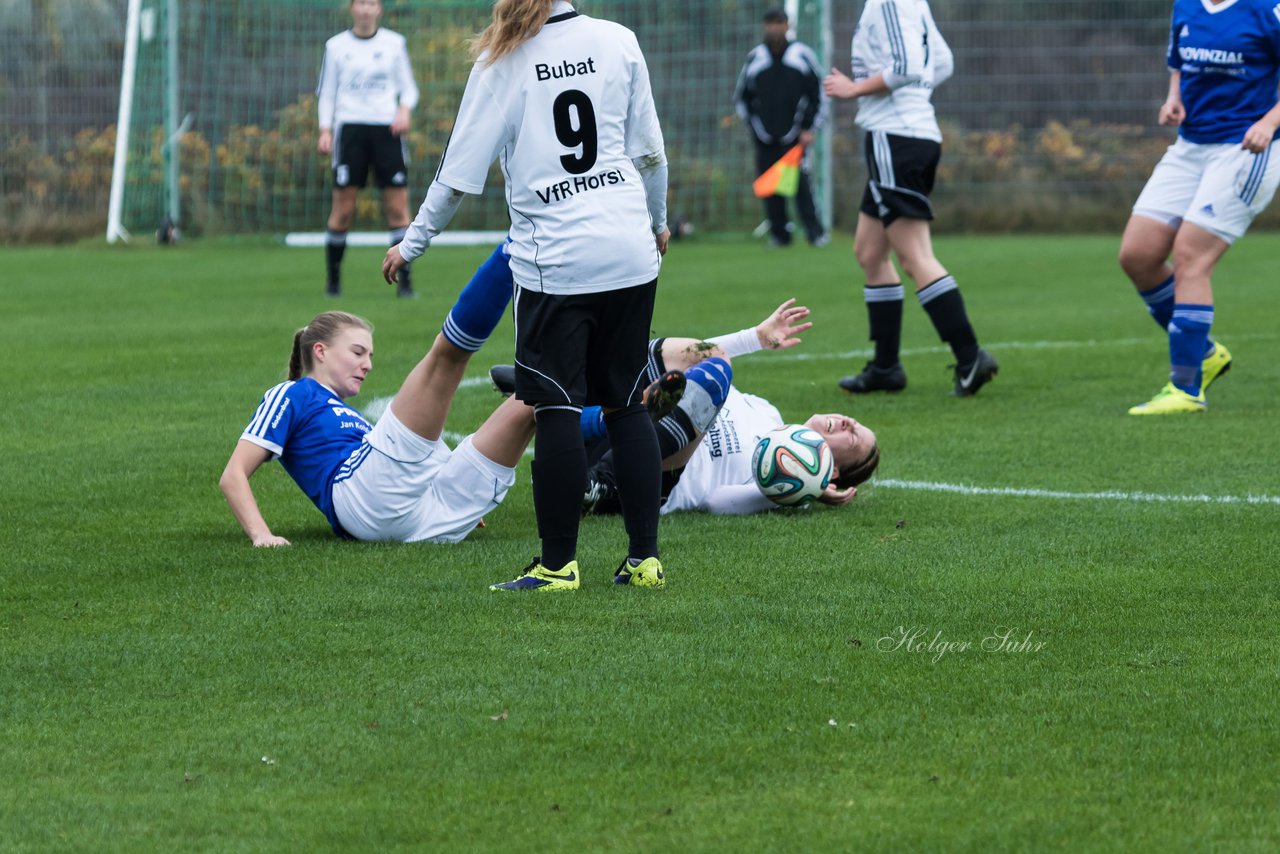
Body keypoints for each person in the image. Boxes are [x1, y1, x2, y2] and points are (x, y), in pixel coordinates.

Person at [381, 0, 670, 593]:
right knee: (626, 403)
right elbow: (650, 154)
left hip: (558, 261)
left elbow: (458, 174)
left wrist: (413, 243)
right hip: (630, 249)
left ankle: (558, 566)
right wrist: (658, 221)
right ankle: (645, 561)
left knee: (557, 407)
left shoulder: (503, 60)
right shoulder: (618, 39)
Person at [219, 244, 529, 546]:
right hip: (363, 502)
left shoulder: (351, 417)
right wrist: (262, 535)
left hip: (428, 519)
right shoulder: (293, 393)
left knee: (537, 397)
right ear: (320, 351)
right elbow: (233, 474)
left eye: (369, 355)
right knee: (447, 359)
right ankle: (512, 246)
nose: (367, 365)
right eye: (357, 352)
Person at [824, 0, 998, 398]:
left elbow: (907, 69)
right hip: (911, 135)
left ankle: (970, 356)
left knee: (916, 256)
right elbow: (943, 62)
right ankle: (886, 367)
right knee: (870, 252)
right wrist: (913, 99)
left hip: (895, 138)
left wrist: (854, 89)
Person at [1118, 0, 1280, 415]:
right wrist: (1174, 98)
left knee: (1190, 254)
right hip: (1189, 146)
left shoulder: (1270, 8)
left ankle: (1186, 388)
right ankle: (1205, 353)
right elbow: (1179, 60)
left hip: (1245, 148)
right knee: (1138, 255)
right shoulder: (1186, 5)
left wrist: (1270, 122)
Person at [577, 300, 880, 516]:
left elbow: (716, 502)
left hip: (634, 479)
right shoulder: (766, 411)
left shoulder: (774, 483)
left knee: (715, 376)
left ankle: (598, 482)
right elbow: (702, 361)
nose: (846, 421)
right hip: (611, 414)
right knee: (711, 364)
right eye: (853, 420)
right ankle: (604, 402)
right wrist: (755, 339)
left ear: (833, 473)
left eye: (853, 436)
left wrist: (799, 487)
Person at [316, 0, 420, 298]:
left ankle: (407, 284)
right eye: (360, 3)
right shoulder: (336, 46)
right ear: (351, 8)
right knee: (343, 210)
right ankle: (333, 283)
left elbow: (409, 89)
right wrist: (325, 129)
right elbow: (327, 92)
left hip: (387, 131)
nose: (365, 9)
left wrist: (404, 109)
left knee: (398, 209)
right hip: (350, 131)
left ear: (379, 9)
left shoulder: (394, 44)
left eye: (370, 3)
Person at [733, 7, 828, 247]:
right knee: (770, 186)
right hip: (764, 136)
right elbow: (742, 97)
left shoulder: (802, 55)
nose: (774, 28)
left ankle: (815, 233)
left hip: (795, 136)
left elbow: (819, 94)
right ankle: (779, 234)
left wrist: (810, 128)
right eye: (770, 23)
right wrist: (754, 127)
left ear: (787, 26)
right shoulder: (756, 57)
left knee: (799, 185)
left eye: (779, 22)